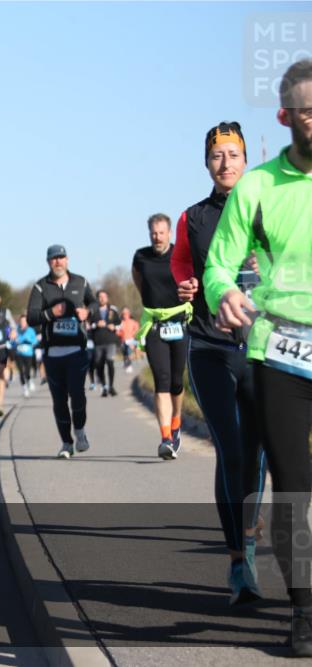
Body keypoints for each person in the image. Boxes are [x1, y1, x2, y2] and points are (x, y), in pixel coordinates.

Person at [203, 59, 312, 656]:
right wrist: (223, 293)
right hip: (281, 351)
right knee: (292, 482)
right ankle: (303, 610)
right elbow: (220, 262)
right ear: (285, 116)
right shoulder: (258, 187)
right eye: (305, 109)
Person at [171, 120, 266, 604]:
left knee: (259, 452)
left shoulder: (268, 206)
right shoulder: (193, 218)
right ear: (206, 162)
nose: (224, 163)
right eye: (216, 156)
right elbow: (182, 266)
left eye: (232, 154)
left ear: (245, 159)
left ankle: (247, 532)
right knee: (230, 450)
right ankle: (240, 559)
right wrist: (186, 285)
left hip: (261, 347)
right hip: (210, 345)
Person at [26, 244, 96, 458]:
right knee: (59, 400)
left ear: (67, 260)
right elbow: (31, 317)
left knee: (78, 395)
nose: (58, 262)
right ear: (48, 262)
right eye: (54, 258)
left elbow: (93, 303)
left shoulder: (80, 282)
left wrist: (88, 311)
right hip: (53, 353)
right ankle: (66, 443)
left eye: (61, 258)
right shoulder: (41, 287)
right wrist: (50, 313)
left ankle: (80, 431)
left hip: (76, 350)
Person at [132, 214, 190, 460]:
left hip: (180, 323)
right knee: (162, 380)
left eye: (161, 233)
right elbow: (138, 281)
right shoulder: (140, 256)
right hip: (156, 325)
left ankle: (176, 424)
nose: (157, 237)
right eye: (153, 233)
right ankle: (166, 437)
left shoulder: (181, 254)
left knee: (177, 381)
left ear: (169, 233)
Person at [89, 290, 121, 396]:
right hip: (98, 342)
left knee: (110, 361)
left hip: (110, 340)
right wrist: (96, 325)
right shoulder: (93, 310)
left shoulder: (113, 310)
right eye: (100, 297)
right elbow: (88, 326)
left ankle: (111, 386)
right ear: (97, 298)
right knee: (99, 365)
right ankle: (104, 387)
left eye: (104, 296)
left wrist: (114, 327)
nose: (102, 298)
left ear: (107, 298)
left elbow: (120, 324)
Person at [15, 314, 39, 397]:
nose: (22, 323)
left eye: (24, 321)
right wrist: (15, 341)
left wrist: (29, 341)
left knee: (27, 371)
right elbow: (12, 341)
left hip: (28, 354)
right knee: (21, 372)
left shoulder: (31, 330)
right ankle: (24, 388)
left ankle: (29, 380)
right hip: (18, 354)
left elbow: (35, 341)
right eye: (21, 321)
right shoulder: (16, 330)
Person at [118, 307, 140, 372]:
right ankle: (126, 363)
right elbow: (118, 332)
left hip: (131, 340)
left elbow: (137, 330)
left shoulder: (134, 322)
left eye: (126, 313)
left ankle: (129, 365)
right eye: (124, 313)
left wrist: (132, 336)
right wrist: (119, 333)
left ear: (129, 314)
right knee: (125, 353)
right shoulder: (121, 322)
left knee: (129, 352)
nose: (125, 315)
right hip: (123, 341)